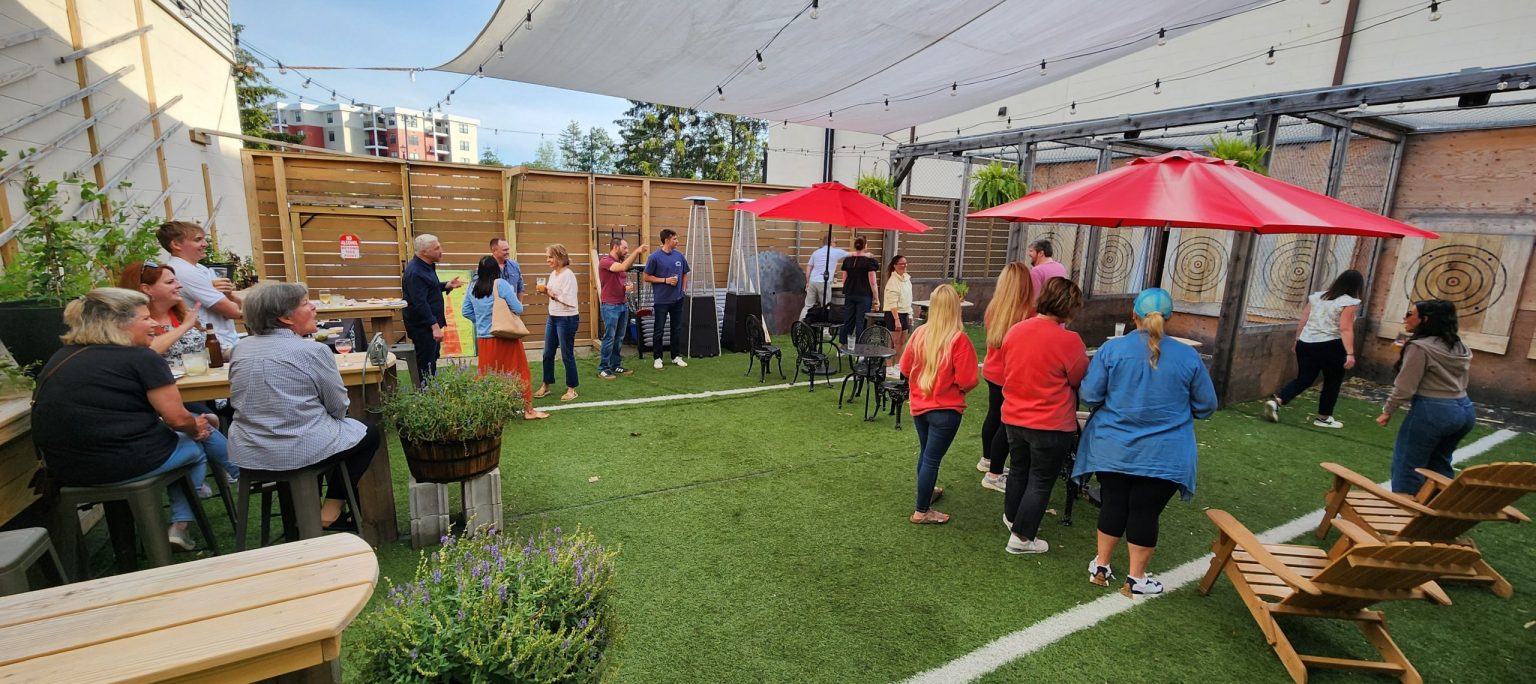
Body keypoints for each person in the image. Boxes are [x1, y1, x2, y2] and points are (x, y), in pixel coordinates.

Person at [31, 288, 223, 551]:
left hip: (66, 470)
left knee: (193, 431)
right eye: (145, 318)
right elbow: (177, 419)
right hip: (124, 463)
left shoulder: (61, 357)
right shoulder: (141, 358)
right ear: (116, 324)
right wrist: (196, 426)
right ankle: (180, 526)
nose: (155, 323)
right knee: (196, 445)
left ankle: (236, 475)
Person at [1074, 288, 1217, 596]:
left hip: (1113, 447)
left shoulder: (1112, 351)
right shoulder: (1188, 356)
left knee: (1113, 503)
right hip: (1166, 453)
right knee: (1144, 511)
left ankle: (1101, 565)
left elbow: (1090, 394)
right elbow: (1206, 406)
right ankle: (1136, 579)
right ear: (1170, 318)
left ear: (1133, 314)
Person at [229, 282, 381, 529]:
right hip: (298, 450)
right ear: (285, 317)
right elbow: (338, 407)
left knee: (321, 437)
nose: (314, 308)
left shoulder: (241, 348)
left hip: (249, 451)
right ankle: (330, 509)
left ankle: (297, 523)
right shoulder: (313, 350)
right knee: (367, 433)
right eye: (305, 304)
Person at [118, 260, 241, 489]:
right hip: (164, 398)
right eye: (170, 281)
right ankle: (231, 471)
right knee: (204, 420)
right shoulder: (137, 326)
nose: (179, 286)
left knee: (227, 408)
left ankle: (206, 472)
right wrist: (184, 326)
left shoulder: (182, 313)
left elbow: (210, 349)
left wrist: (240, 350)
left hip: (202, 390)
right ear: (146, 289)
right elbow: (147, 353)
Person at [996, 277, 1089, 555]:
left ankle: (1014, 518)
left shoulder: (1016, 331)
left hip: (1014, 416)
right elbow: (1078, 377)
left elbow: (1007, 367)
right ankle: (1022, 537)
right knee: (1040, 479)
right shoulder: (1069, 340)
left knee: (1020, 469)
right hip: (1050, 422)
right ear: (1069, 306)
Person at [1377, 300, 1475, 495]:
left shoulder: (1420, 347)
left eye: (1410, 314)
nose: (1405, 318)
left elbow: (1405, 387)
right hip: (1464, 409)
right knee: (1439, 463)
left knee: (1408, 467)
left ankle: (1404, 515)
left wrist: (1388, 410)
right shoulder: (1458, 345)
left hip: (1433, 410)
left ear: (1425, 319)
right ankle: (1440, 512)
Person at [900, 284, 978, 525]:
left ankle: (928, 492)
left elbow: (904, 368)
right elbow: (968, 380)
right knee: (931, 458)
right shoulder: (958, 339)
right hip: (945, 411)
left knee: (926, 454)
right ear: (955, 308)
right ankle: (921, 511)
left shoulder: (920, 333)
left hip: (920, 407)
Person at [1264, 270, 1364, 429]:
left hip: (1306, 342)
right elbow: (1345, 328)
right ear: (1357, 286)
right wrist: (1350, 353)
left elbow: (1304, 319)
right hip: (1331, 344)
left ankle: (1277, 401)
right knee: (1332, 380)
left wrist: (1297, 340)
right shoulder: (1348, 302)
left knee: (1304, 378)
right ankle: (1323, 417)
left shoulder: (1317, 297)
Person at [461, 256, 548, 420]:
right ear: (497, 270)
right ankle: (528, 410)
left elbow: (465, 311)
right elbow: (518, 308)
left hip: (484, 338)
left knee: (487, 375)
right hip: (505, 336)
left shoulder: (473, 286)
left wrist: (480, 322)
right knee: (520, 372)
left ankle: (489, 411)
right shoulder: (500, 284)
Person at [978, 262, 1035, 493]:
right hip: (1009, 374)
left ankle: (988, 460)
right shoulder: (1027, 312)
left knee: (994, 415)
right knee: (1005, 423)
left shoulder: (994, 307)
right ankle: (994, 474)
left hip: (992, 371)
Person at [158, 221, 242, 350]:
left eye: (204, 239)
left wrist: (229, 294)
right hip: (216, 344)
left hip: (227, 340)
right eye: (198, 240)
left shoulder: (201, 269)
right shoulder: (184, 271)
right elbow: (233, 311)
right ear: (176, 244)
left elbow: (230, 302)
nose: (205, 244)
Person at [401, 233, 464, 379]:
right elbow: (420, 302)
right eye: (437, 248)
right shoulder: (415, 272)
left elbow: (429, 288)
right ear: (424, 252)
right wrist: (434, 326)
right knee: (426, 363)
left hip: (430, 324)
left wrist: (446, 285)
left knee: (432, 358)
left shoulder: (427, 266)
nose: (441, 250)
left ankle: (430, 392)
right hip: (422, 326)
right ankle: (425, 395)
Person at [597, 237, 649, 379]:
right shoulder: (605, 261)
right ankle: (603, 368)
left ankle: (615, 365)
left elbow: (622, 278)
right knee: (609, 338)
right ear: (615, 247)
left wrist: (628, 287)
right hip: (610, 306)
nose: (626, 251)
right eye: (625, 248)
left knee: (619, 338)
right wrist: (637, 251)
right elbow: (622, 267)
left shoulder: (619, 263)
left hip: (622, 304)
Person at [536, 244, 581, 402]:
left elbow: (568, 301)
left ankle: (572, 389)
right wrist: (546, 291)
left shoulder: (568, 275)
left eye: (550, 257)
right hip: (553, 317)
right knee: (547, 353)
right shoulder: (554, 274)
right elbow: (554, 293)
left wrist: (548, 292)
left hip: (567, 318)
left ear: (559, 257)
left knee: (566, 354)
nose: (548, 260)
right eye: (547, 257)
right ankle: (546, 385)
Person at [644, 228, 691, 370]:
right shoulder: (654, 257)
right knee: (659, 329)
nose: (677, 241)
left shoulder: (679, 256)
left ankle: (676, 356)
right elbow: (646, 277)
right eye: (675, 239)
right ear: (667, 240)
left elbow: (685, 273)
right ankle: (657, 358)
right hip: (661, 301)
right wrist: (665, 280)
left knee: (676, 329)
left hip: (677, 300)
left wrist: (683, 290)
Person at [839, 236, 881, 345]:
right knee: (861, 321)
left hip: (850, 293)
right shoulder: (869, 261)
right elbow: (872, 282)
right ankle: (860, 347)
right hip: (864, 294)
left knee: (848, 319)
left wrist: (848, 288)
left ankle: (843, 345)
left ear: (855, 246)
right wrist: (876, 298)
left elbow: (844, 278)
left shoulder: (848, 260)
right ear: (866, 246)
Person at [800, 236, 848, 320]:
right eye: (835, 242)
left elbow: (809, 267)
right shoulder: (834, 252)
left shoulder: (816, 252)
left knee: (808, 305)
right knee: (826, 306)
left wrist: (807, 282)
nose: (836, 244)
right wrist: (866, 254)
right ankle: (825, 329)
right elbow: (852, 254)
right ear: (831, 242)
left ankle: (800, 326)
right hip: (824, 282)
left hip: (813, 281)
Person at [882, 254, 914, 376]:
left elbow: (908, 298)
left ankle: (898, 364)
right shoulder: (892, 281)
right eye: (901, 263)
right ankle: (889, 366)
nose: (904, 265)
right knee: (893, 341)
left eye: (905, 263)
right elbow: (892, 303)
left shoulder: (907, 279)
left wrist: (910, 314)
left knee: (902, 340)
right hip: (893, 314)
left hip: (904, 312)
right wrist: (897, 320)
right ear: (895, 266)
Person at [489, 237, 525, 303]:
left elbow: (520, 288)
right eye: (504, 250)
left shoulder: (514, 265)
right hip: (494, 310)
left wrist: (519, 306)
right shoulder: (485, 267)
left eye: (508, 249)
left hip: (513, 310)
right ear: (494, 250)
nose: (508, 252)